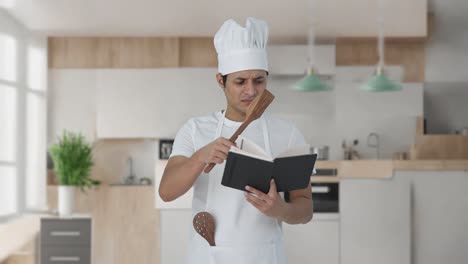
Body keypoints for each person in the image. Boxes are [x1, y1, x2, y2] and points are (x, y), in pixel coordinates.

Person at [159, 17, 313, 264]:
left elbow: (305, 208)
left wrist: (280, 210)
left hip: (264, 256)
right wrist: (200, 156)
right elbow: (166, 192)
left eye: (259, 80)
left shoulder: (288, 133)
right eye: (240, 81)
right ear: (221, 81)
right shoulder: (195, 129)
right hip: (209, 256)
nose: (251, 91)